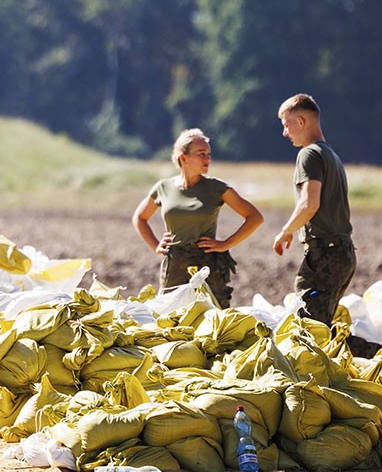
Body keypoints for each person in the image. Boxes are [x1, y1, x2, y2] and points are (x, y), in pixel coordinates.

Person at [132, 128, 264, 308]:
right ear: (183, 158)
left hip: (207, 266)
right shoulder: (164, 188)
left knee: (213, 322)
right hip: (174, 267)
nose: (207, 158)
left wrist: (226, 244)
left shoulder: (216, 188)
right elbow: (140, 218)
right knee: (170, 321)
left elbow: (254, 217)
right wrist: (156, 246)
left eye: (209, 154)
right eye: (201, 154)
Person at [272, 93, 363, 333]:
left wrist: (285, 231)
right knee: (322, 328)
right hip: (342, 252)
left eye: (286, 125)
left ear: (301, 122)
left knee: (308, 330)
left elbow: (308, 204)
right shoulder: (330, 155)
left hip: (325, 255)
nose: (284, 132)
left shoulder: (309, 154)